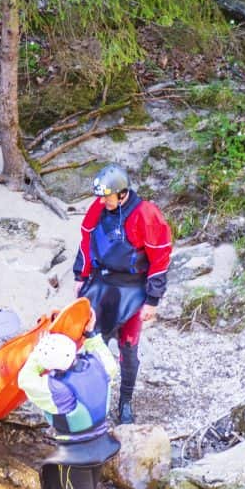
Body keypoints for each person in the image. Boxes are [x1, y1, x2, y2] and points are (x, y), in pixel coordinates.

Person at [73, 163, 173, 425]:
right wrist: (80, 276)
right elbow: (86, 242)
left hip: (132, 288)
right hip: (101, 284)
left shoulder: (146, 214)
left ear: (122, 193)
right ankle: (95, 402)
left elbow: (160, 258)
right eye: (101, 197)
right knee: (94, 344)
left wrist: (152, 299)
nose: (102, 201)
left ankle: (125, 402)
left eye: (107, 197)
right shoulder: (99, 209)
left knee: (128, 347)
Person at [17, 323, 121, 489]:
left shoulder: (56, 390)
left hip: (76, 456)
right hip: (101, 445)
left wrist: (35, 355)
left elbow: (25, 379)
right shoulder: (98, 365)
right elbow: (103, 352)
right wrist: (91, 332)